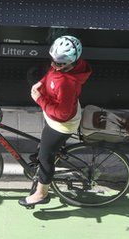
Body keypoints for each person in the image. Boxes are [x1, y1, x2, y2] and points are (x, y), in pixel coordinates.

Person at [20, 35, 92, 208]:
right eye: (52, 60)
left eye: (59, 63)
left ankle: (41, 194)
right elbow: (51, 75)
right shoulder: (65, 68)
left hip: (61, 123)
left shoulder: (67, 82)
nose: (53, 65)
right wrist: (42, 83)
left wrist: (40, 100)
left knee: (46, 156)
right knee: (44, 148)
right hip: (55, 116)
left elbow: (63, 114)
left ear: (71, 62)